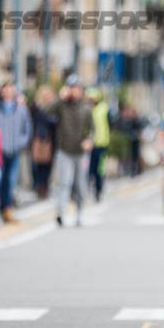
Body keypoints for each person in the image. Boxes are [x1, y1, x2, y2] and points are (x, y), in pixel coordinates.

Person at [47, 75, 93, 227]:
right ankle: (60, 212)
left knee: (80, 184)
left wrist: (89, 140)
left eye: (76, 88)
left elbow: (92, 129)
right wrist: (60, 98)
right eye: (71, 88)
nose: (74, 91)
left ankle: (80, 213)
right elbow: (47, 112)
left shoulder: (86, 107)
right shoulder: (61, 105)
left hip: (81, 152)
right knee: (63, 182)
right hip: (64, 150)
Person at [0, 82, 31, 223]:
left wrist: (20, 143)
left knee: (10, 181)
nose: (9, 91)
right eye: (6, 89)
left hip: (15, 151)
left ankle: (6, 209)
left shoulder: (21, 110)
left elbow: (27, 129)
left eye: (11, 89)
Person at [87, 88, 110, 203]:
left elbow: (110, 124)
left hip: (101, 144)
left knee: (99, 170)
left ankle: (98, 191)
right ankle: (85, 191)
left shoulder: (104, 108)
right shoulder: (86, 109)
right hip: (88, 145)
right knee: (88, 169)